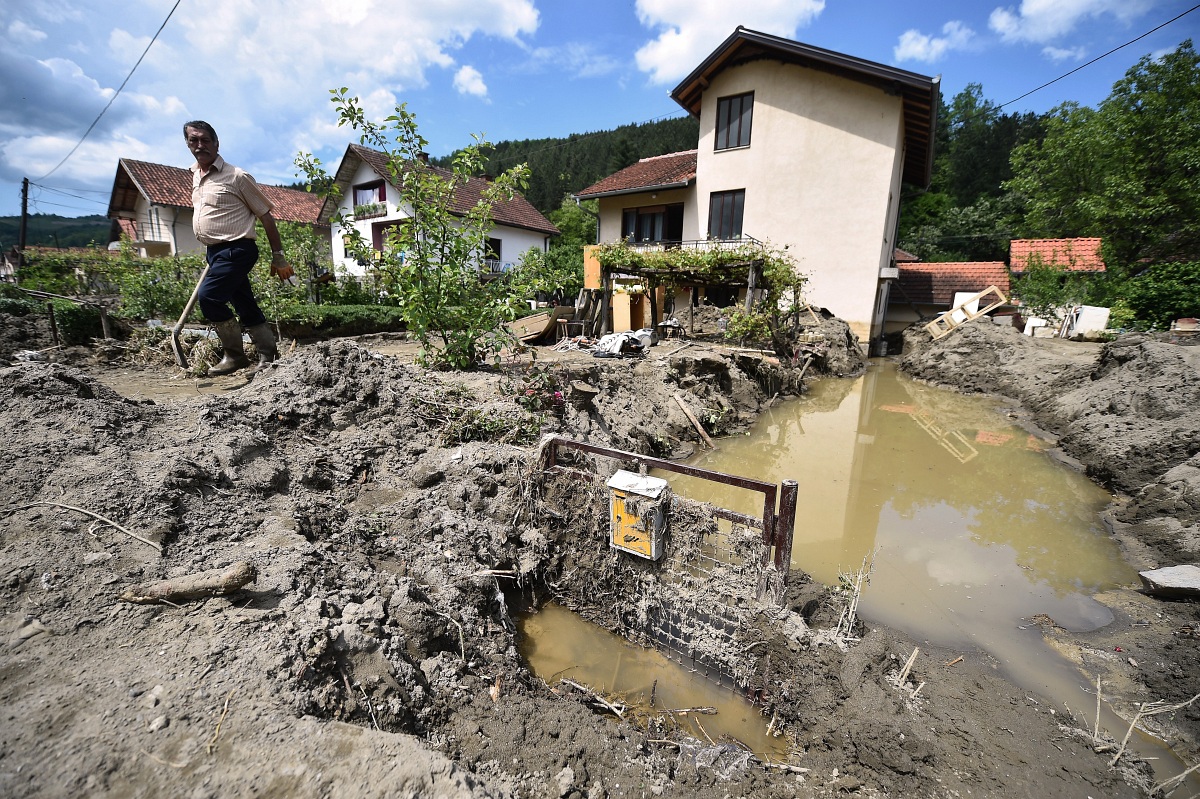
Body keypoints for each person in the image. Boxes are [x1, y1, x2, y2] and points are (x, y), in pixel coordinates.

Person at [185, 120, 295, 376]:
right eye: (193, 140)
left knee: (209, 297)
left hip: (237, 249)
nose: (199, 145)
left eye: (205, 140)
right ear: (188, 144)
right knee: (244, 303)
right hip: (216, 253)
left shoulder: (236, 176)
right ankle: (269, 355)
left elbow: (266, 216)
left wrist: (278, 256)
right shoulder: (196, 176)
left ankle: (235, 355)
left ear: (216, 143)